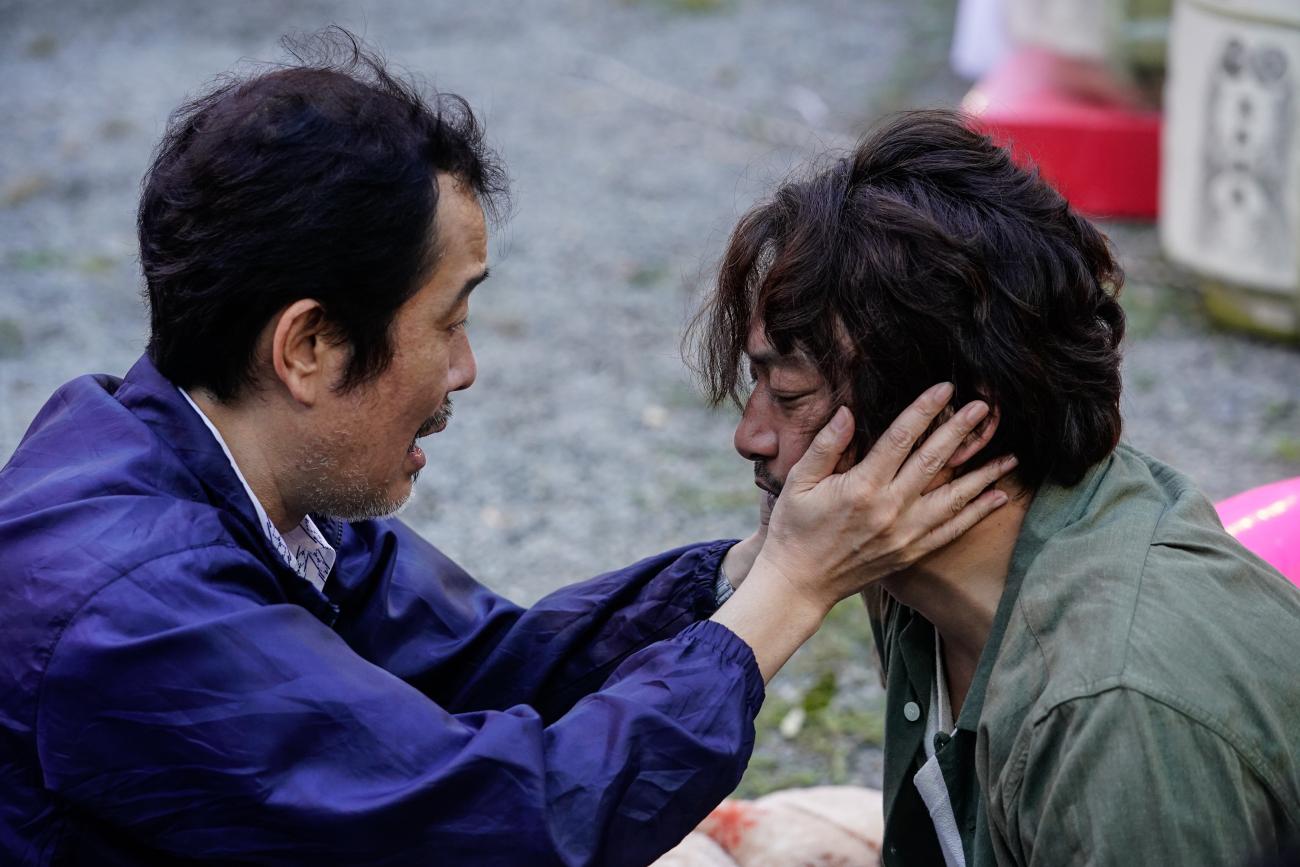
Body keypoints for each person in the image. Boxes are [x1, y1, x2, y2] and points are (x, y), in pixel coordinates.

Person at [0, 33, 1015, 867]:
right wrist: (788, 596)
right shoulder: (136, 614)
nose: (467, 368)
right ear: (308, 347)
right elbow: (502, 825)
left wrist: (745, 572)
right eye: (447, 321)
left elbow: (487, 668)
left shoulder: (241, 485)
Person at [690, 109, 1300, 866]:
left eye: (789, 394)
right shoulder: (917, 571)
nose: (749, 436)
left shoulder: (1110, 713)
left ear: (960, 422)